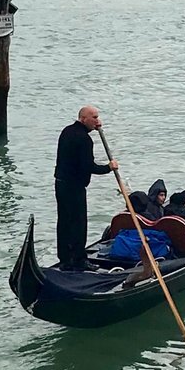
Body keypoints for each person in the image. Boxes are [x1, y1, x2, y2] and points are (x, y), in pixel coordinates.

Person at [54, 106, 116, 270]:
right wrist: (109, 167)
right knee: (78, 223)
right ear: (83, 119)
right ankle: (79, 260)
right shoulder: (84, 139)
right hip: (74, 186)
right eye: (94, 117)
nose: (98, 121)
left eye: (98, 117)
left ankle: (65, 259)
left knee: (64, 222)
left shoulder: (67, 131)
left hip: (60, 183)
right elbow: (88, 167)